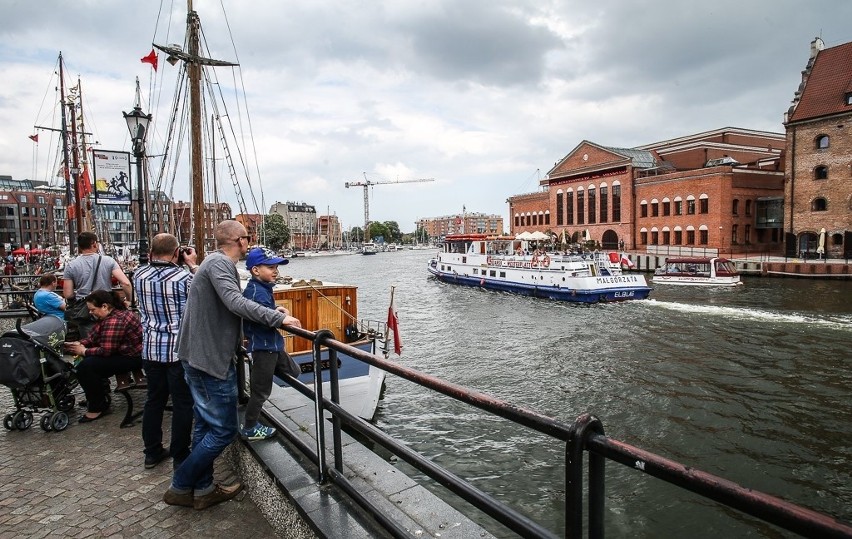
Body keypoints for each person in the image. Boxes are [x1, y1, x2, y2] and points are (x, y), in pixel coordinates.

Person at [163, 220, 301, 511]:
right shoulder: (218, 264)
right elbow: (234, 302)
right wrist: (279, 319)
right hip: (208, 359)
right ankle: (180, 484)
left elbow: (225, 308)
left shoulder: (213, 264)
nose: (248, 242)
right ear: (240, 240)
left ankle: (202, 489)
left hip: (201, 355)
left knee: (204, 425)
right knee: (224, 430)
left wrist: (268, 311)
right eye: (247, 238)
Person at [134, 233, 198, 470]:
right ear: (176, 252)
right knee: (182, 403)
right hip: (177, 350)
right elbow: (205, 288)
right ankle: (180, 454)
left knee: (154, 400)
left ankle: (151, 451)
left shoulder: (139, 275)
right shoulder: (184, 278)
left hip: (150, 348)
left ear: (151, 252)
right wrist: (190, 264)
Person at [240, 246, 300, 441]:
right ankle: (250, 427)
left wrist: (276, 309)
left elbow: (263, 310)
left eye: (277, 267)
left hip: (272, 346)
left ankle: (270, 370)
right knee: (260, 391)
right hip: (264, 348)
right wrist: (279, 317)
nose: (275, 271)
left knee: (295, 371)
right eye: (270, 267)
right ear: (256, 270)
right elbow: (259, 315)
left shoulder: (261, 288)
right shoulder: (256, 291)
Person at [64, 290, 143, 423]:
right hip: (123, 353)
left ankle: (97, 406)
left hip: (133, 357)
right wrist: (78, 344)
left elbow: (106, 351)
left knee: (85, 367)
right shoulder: (110, 316)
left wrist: (83, 351)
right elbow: (94, 338)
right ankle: (97, 397)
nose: (90, 312)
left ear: (105, 306)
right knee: (88, 364)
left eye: (92, 309)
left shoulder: (115, 320)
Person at [62, 232, 133, 339]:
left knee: (89, 342)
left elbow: (68, 294)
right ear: (94, 244)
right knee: (110, 339)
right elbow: (126, 283)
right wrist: (128, 300)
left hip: (85, 309)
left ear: (80, 246)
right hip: (106, 306)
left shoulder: (71, 266)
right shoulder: (108, 261)